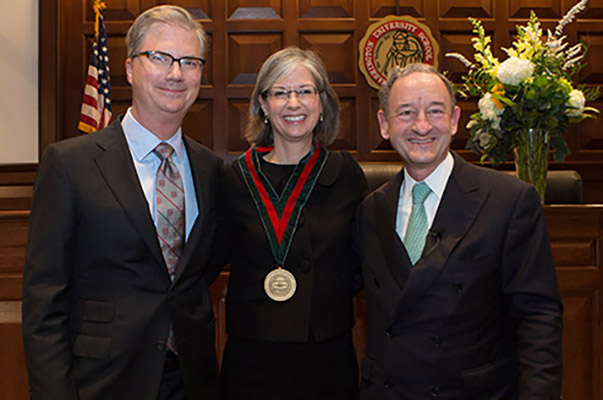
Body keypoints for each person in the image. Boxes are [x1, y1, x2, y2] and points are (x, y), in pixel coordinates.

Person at [22, 5, 221, 400]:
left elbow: (198, 274)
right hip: (101, 382)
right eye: (160, 58)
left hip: (190, 382)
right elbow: (44, 301)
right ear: (130, 68)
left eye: (190, 61)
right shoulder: (70, 164)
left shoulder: (210, 168)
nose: (176, 73)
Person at [357, 63, 563, 399]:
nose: (421, 126)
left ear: (454, 120)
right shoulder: (370, 210)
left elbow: (538, 318)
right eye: (406, 112)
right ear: (384, 124)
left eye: (434, 111)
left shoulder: (508, 201)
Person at [213, 46, 367, 399]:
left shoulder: (345, 174)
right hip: (252, 360)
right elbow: (209, 259)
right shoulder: (234, 178)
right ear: (263, 105)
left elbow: (362, 263)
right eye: (280, 93)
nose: (293, 103)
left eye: (305, 91)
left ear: (322, 102)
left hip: (327, 356)